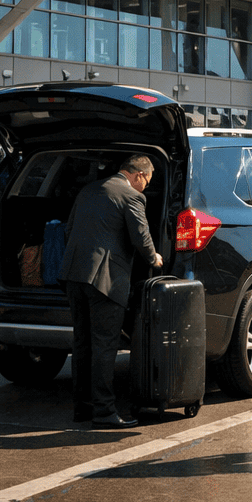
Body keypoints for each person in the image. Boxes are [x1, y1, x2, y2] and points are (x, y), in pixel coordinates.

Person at [59, 154, 163, 428]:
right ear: (137, 175)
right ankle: (104, 412)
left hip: (74, 274)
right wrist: (154, 259)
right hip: (105, 279)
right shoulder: (132, 196)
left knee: (81, 344)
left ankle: (82, 408)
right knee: (105, 346)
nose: (146, 188)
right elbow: (141, 236)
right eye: (147, 182)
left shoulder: (89, 189)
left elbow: (69, 230)